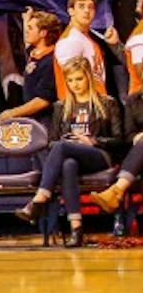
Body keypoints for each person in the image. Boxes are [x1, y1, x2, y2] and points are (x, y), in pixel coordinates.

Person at [17, 58, 125, 247]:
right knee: (68, 164)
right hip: (71, 156)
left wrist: (92, 141)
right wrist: (68, 142)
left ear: (89, 78)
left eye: (79, 79)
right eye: (71, 80)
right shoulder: (61, 107)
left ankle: (39, 199)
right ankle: (76, 228)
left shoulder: (107, 103)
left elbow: (119, 140)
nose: (75, 84)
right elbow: (51, 142)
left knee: (62, 147)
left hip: (99, 155)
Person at [0, 11, 61, 122]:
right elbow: (27, 41)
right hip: (34, 119)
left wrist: (12, 113)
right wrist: (27, 18)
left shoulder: (50, 61)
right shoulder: (34, 53)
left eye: (30, 28)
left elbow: (43, 100)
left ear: (43, 33)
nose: (26, 30)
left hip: (46, 123)